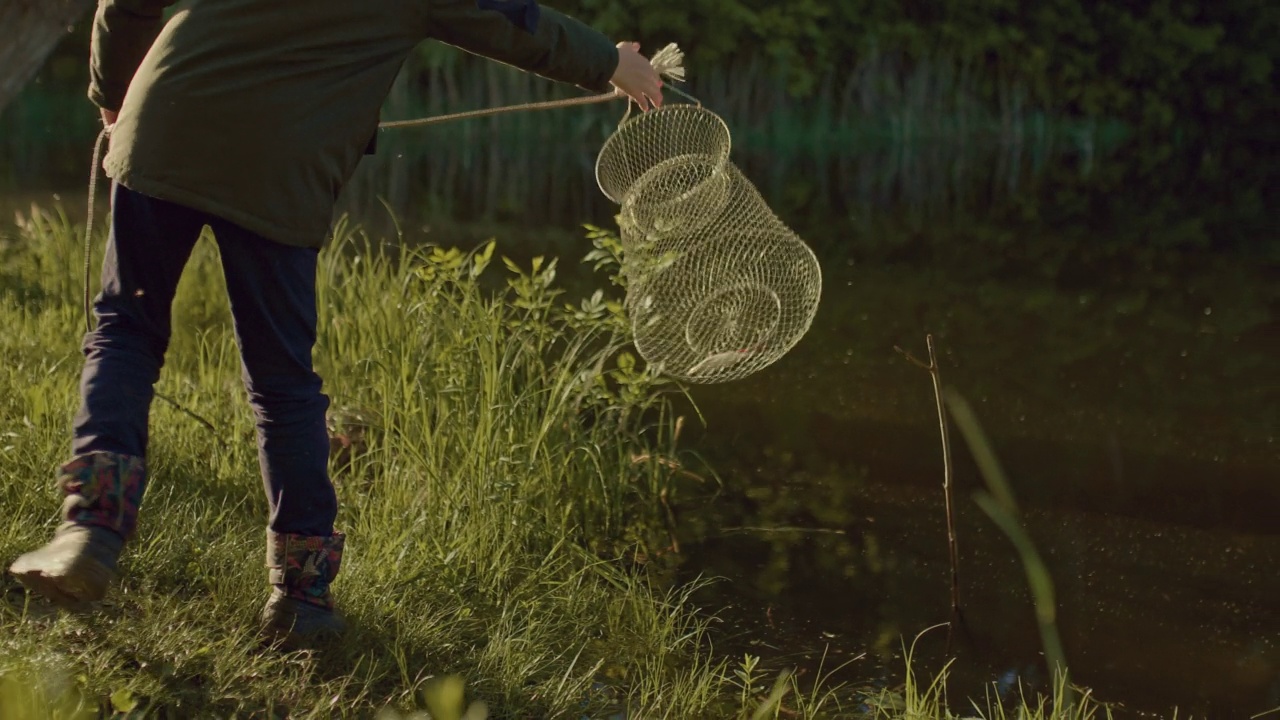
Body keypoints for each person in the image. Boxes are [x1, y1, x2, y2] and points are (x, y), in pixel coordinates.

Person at [8, 0, 663, 645]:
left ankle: (91, 528)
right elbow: (510, 21)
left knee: (127, 329)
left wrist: (115, 92)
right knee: (282, 383)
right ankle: (302, 599)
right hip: (279, 164)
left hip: (166, 114)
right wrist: (610, 63)